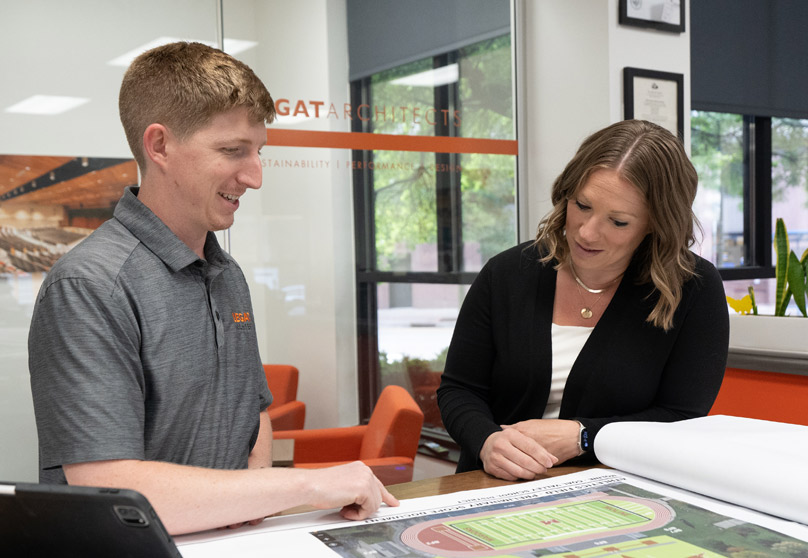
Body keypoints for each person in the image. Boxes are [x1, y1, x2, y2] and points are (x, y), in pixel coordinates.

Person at [28, 41, 397, 535]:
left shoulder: (225, 273)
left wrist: (251, 511)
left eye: (258, 151)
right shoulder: (89, 286)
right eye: (232, 151)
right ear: (159, 146)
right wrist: (308, 486)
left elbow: (254, 413)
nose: (254, 176)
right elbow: (110, 488)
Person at [437, 119, 729, 481]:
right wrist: (486, 441)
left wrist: (585, 436)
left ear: (656, 223)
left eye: (618, 222)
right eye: (583, 205)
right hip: (494, 484)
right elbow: (459, 390)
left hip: (620, 492)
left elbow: (681, 415)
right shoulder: (508, 273)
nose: (588, 233)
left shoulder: (694, 288)